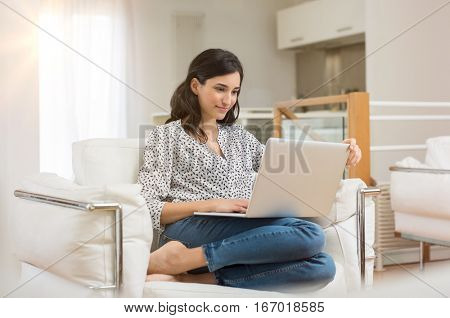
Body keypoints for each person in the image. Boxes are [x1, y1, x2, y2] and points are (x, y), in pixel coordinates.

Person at [138, 48, 362, 291]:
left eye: (234, 91)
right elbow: (148, 206)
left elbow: (291, 163)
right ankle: (184, 257)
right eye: (220, 89)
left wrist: (340, 152)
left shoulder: (240, 137)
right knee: (311, 234)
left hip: (243, 228)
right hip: (190, 230)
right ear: (195, 86)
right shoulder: (166, 136)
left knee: (323, 266)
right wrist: (211, 204)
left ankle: (189, 275)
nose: (228, 100)